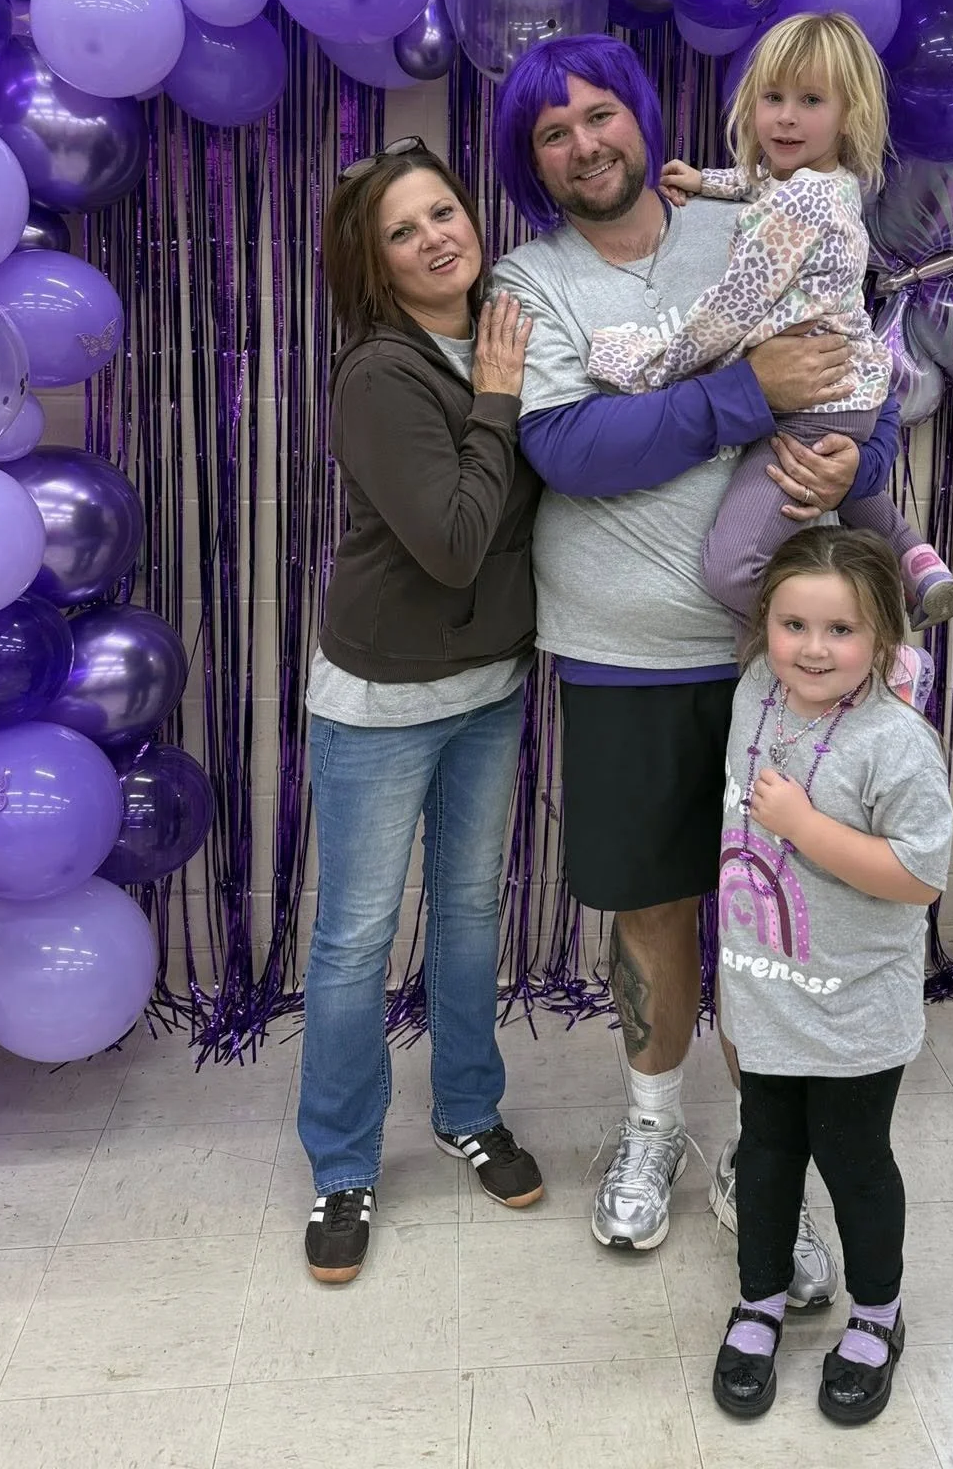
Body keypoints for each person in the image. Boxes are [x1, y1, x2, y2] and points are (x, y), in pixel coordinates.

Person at [491, 33, 889, 1294]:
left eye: (599, 116)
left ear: (639, 116)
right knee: (655, 910)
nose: (584, 145)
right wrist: (745, 389)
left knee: (777, 914)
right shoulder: (529, 279)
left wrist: (853, 468)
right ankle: (656, 1129)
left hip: (783, 662)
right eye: (553, 133)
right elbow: (571, 449)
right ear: (534, 162)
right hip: (619, 655)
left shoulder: (760, 219)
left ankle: (765, 1164)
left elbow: (845, 379)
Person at [298, 138, 545, 1287]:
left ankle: (468, 1112)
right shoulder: (382, 373)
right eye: (404, 229)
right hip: (383, 700)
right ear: (377, 262)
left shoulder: (508, 319)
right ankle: (343, 1161)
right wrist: (497, 402)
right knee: (352, 940)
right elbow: (451, 543)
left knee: (465, 916)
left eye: (442, 209)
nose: (436, 235)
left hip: (489, 682)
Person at [588, 10, 953, 631]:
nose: (786, 116)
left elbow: (728, 313)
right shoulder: (836, 182)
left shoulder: (794, 205)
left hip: (806, 406)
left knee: (732, 568)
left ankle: (867, 641)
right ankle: (917, 566)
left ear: (851, 115)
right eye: (772, 97)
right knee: (850, 490)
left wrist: (647, 365)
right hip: (854, 390)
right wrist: (707, 180)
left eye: (811, 100)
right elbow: (763, 182)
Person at [710, 526, 952, 1427]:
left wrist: (805, 827)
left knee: (852, 1158)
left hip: (855, 1004)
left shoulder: (898, 744)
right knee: (767, 1150)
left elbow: (919, 876)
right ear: (764, 627)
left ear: (883, 638)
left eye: (841, 631)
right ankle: (760, 1301)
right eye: (794, 624)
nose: (814, 648)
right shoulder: (753, 696)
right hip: (763, 988)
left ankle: (878, 1316)